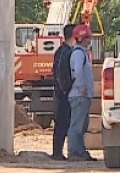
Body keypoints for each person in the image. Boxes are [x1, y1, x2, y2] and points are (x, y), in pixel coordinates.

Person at [67, 24, 96, 161]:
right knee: (76, 126)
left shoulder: (81, 53)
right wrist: (82, 88)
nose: (89, 41)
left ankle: (80, 150)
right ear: (82, 38)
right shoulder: (78, 54)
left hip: (82, 95)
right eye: (87, 38)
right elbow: (77, 72)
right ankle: (74, 152)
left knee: (81, 125)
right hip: (79, 95)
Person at [50, 23, 76, 161]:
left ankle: (58, 152)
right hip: (63, 94)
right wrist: (67, 88)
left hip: (60, 93)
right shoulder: (66, 52)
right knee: (62, 122)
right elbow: (61, 73)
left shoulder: (60, 51)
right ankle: (57, 153)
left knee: (62, 122)